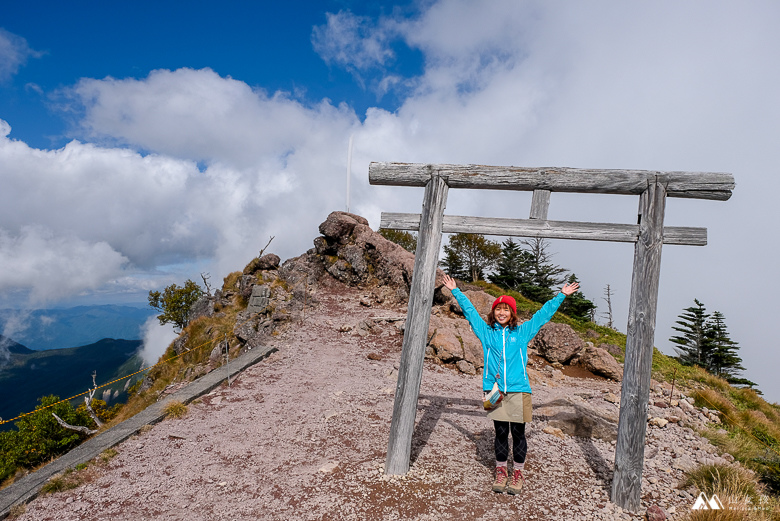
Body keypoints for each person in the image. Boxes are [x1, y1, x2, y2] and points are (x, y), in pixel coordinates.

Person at [442, 274, 580, 494]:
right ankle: (500, 471)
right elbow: (470, 313)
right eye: (498, 309)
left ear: (512, 313)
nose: (502, 312)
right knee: (499, 432)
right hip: (493, 390)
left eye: (506, 309)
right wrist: (456, 291)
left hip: (519, 390)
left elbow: (541, 316)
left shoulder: (522, 332)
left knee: (518, 433)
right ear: (494, 312)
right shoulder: (486, 333)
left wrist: (561, 296)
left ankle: (517, 472)